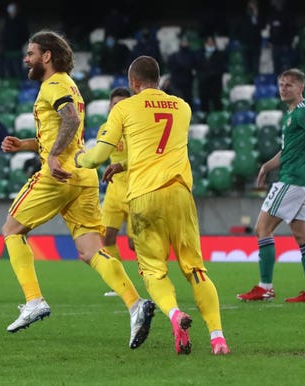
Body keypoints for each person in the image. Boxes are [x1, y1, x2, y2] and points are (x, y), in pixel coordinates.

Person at [0, 30, 156, 350]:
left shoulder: (54, 84)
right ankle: (135, 303)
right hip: (83, 175)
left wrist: (53, 156)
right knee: (90, 251)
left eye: (31, 54)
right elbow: (66, 130)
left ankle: (34, 300)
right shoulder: (69, 85)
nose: (26, 59)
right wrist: (26, 145)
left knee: (12, 230)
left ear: (46, 56)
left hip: (58, 175)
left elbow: (68, 119)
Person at [76, 55, 231, 355]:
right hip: (180, 192)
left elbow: (96, 157)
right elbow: (159, 145)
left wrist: (78, 159)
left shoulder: (124, 107)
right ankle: (218, 338)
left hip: (145, 196)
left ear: (133, 83)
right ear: (158, 80)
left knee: (153, 272)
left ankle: (175, 315)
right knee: (195, 269)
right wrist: (124, 166)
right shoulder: (182, 107)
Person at [237, 68, 305, 303]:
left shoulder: (304, 111)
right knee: (303, 237)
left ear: (301, 88)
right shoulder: (291, 115)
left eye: (289, 85)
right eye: (281, 84)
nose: (283, 88)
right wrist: (266, 166)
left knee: (262, 229)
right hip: (303, 183)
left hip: (293, 180)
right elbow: (288, 152)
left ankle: (265, 287)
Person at [95, 87, 133, 297]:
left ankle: (153, 277)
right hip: (113, 191)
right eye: (114, 104)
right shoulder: (104, 129)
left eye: (122, 104)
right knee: (107, 237)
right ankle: (120, 285)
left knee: (134, 244)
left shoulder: (137, 128)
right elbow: (100, 155)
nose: (117, 108)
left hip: (134, 189)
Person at [196, 36, 227, 113]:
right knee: (204, 105)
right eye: (208, 42)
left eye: (211, 42)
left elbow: (222, 68)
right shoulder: (199, 54)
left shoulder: (220, 55)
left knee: (217, 103)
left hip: (215, 84)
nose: (210, 43)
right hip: (203, 84)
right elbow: (197, 68)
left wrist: (210, 75)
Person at [233, 0, 263, 76]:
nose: (252, 7)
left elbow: (262, 27)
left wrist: (256, 16)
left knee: (255, 65)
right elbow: (236, 30)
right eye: (251, 6)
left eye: (254, 6)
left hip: (256, 44)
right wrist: (241, 40)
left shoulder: (259, 17)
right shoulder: (242, 17)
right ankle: (247, 81)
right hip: (245, 44)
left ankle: (255, 82)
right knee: (246, 65)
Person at [1, 2, 30, 79]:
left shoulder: (21, 21)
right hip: (7, 52)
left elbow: (26, 36)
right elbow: (2, 35)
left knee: (18, 72)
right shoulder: (5, 21)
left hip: (17, 51)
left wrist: (19, 44)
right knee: (9, 73)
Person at [167, 36, 196, 105]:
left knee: (188, 102)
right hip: (176, 83)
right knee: (177, 102)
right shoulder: (174, 56)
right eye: (183, 41)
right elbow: (170, 67)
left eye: (186, 42)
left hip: (188, 82)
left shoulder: (192, 55)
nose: (184, 43)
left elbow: (194, 67)